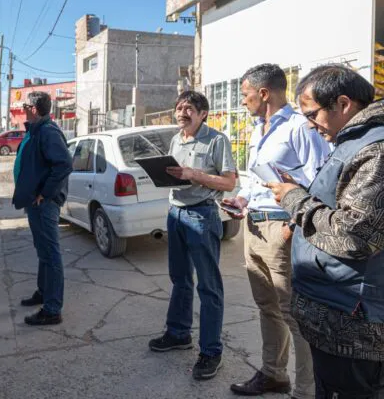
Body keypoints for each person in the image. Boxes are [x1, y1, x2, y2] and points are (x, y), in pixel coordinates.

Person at [268, 65, 384, 398]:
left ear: (343, 104)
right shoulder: (357, 141)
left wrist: (295, 200)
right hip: (338, 316)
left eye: (312, 113)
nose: (309, 124)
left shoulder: (375, 149)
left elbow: (355, 236)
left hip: (353, 328)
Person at [223, 65, 329, 399]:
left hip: (281, 228)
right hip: (253, 225)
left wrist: (292, 227)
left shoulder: (301, 127)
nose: (243, 101)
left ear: (263, 93)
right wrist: (241, 198)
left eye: (244, 94)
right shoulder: (257, 129)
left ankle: (306, 391)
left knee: (293, 314)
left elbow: (321, 182)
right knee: (267, 307)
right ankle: (274, 374)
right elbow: (259, 178)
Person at [149, 91, 238, 380]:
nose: (182, 112)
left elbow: (228, 182)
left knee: (209, 287)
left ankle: (211, 351)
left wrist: (193, 174)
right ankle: (178, 333)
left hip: (202, 215)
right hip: (175, 214)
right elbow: (179, 174)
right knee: (180, 280)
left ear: (203, 114)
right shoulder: (177, 139)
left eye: (189, 108)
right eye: (179, 108)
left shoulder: (216, 140)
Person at [12, 91, 73, 326]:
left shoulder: (48, 131)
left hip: (44, 204)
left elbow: (64, 164)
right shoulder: (38, 129)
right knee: (43, 251)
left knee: (50, 253)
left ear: (34, 109)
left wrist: (44, 193)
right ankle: (43, 292)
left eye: (25, 105)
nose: (22, 108)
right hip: (34, 202)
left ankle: (52, 309)